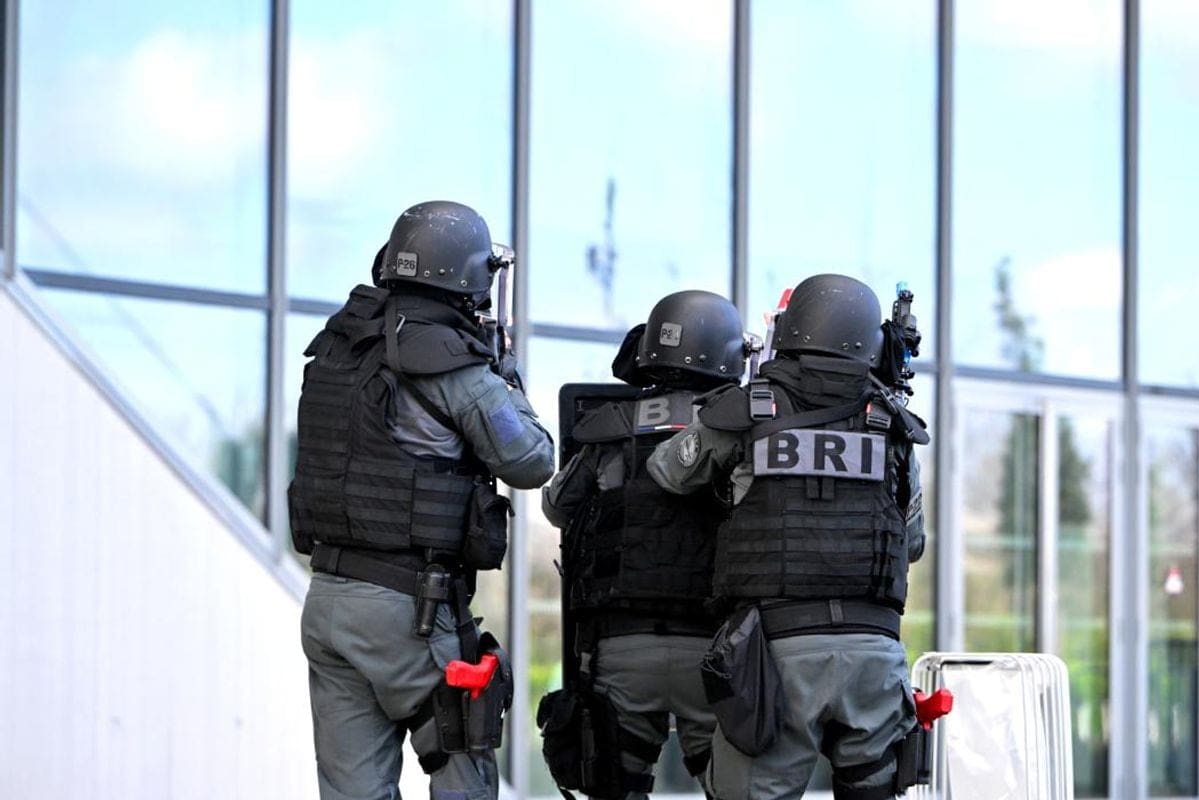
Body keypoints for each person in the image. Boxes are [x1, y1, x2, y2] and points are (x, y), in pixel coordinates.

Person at [289, 200, 555, 800]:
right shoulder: (446, 359)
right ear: (469, 276)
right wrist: (506, 377)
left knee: (352, 790)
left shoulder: (341, 345)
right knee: (463, 762)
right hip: (409, 611)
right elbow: (532, 461)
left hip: (328, 600)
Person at [646, 274, 929, 800]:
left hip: (778, 652)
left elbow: (669, 471)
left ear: (791, 330)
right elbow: (911, 542)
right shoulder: (891, 424)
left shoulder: (750, 407)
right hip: (875, 649)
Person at [541, 290, 750, 799]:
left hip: (622, 647)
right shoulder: (741, 425)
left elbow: (556, 507)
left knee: (616, 787)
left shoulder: (611, 424)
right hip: (713, 650)